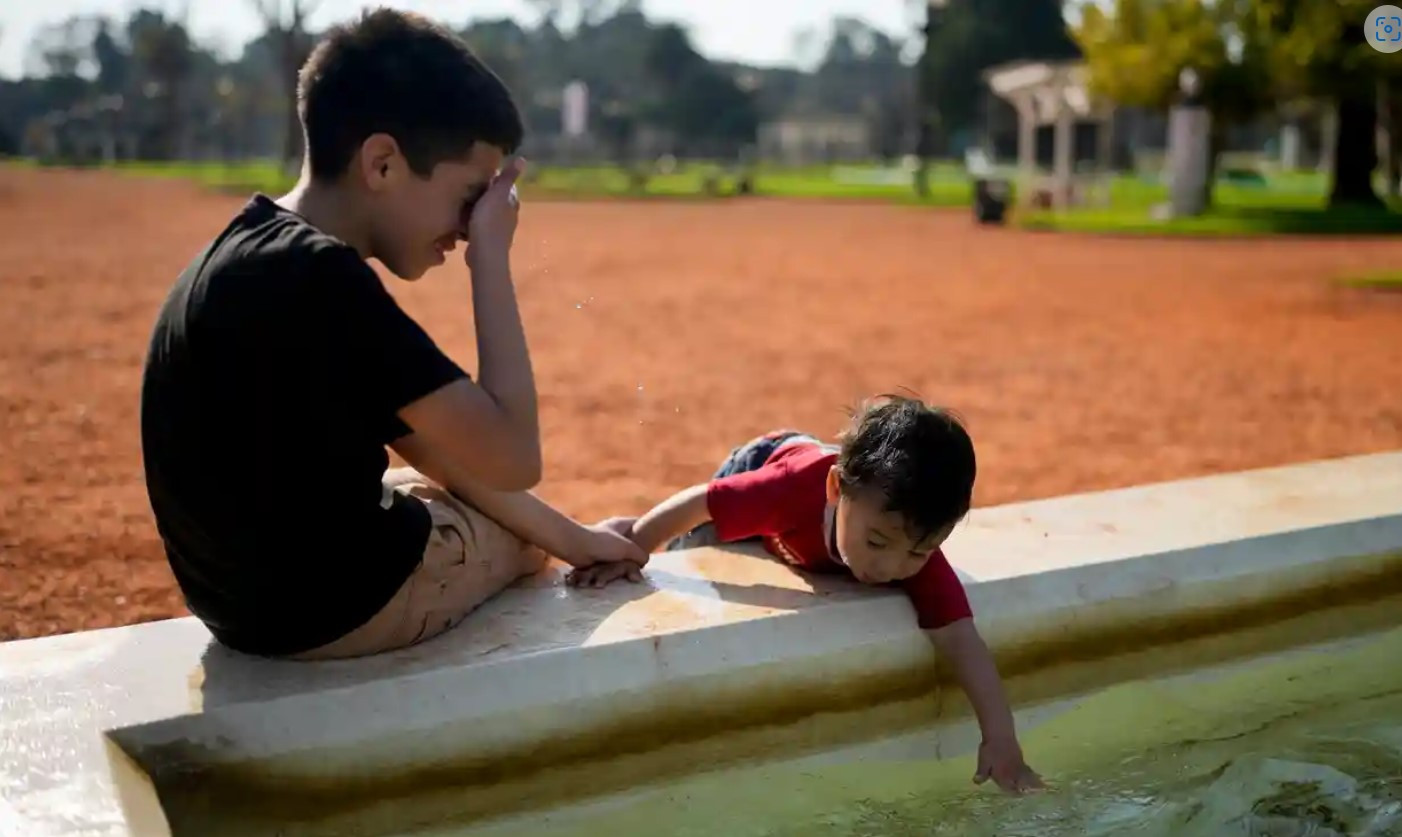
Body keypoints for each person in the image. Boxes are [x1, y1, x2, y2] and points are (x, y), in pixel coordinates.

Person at [139, 9, 643, 662]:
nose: (469, 224)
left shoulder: (247, 250)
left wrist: (577, 535)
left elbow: (431, 445)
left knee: (438, 486)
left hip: (236, 611)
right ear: (381, 164)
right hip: (338, 613)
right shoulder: (324, 278)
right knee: (518, 537)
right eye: (468, 198)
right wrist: (489, 258)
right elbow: (515, 457)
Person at [569, 394, 1046, 794]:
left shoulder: (908, 542)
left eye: (918, 554)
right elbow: (701, 501)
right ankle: (621, 531)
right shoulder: (787, 492)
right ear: (837, 489)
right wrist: (635, 550)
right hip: (767, 458)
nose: (890, 568)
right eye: (877, 543)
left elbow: (961, 639)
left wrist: (1000, 737)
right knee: (696, 545)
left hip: (832, 495)